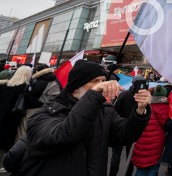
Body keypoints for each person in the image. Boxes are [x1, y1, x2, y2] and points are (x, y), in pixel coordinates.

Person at [17, 60, 151, 176]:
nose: (102, 85)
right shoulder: (48, 111)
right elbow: (64, 135)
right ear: (76, 87)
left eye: (103, 81)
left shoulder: (105, 111)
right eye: (95, 81)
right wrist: (93, 96)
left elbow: (124, 135)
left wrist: (140, 111)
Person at [109, 75, 145, 176]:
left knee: (120, 156)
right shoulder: (138, 97)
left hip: (124, 129)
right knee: (126, 156)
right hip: (126, 129)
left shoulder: (126, 94)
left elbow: (114, 110)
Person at [132, 85, 169, 176]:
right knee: (152, 170)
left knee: (140, 170)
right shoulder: (167, 108)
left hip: (141, 141)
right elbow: (167, 126)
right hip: (156, 145)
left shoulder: (145, 105)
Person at [0, 65, 32, 170]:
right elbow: (29, 103)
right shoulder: (25, 88)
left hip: (2, 117)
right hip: (12, 120)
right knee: (6, 145)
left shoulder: (6, 86)